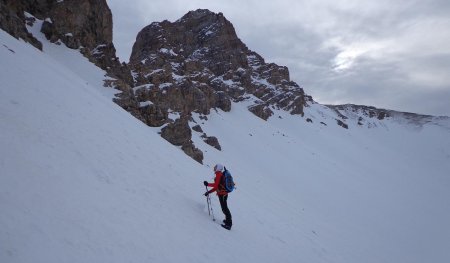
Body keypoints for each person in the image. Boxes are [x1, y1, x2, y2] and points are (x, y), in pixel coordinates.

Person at [204, 163, 232, 230]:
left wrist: (208, 184)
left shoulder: (219, 174)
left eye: (215, 166)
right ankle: (227, 221)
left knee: (225, 208)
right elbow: (217, 187)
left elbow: (216, 186)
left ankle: (229, 224)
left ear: (218, 168)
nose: (214, 167)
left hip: (222, 194)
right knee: (224, 208)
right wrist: (208, 192)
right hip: (223, 193)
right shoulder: (219, 174)